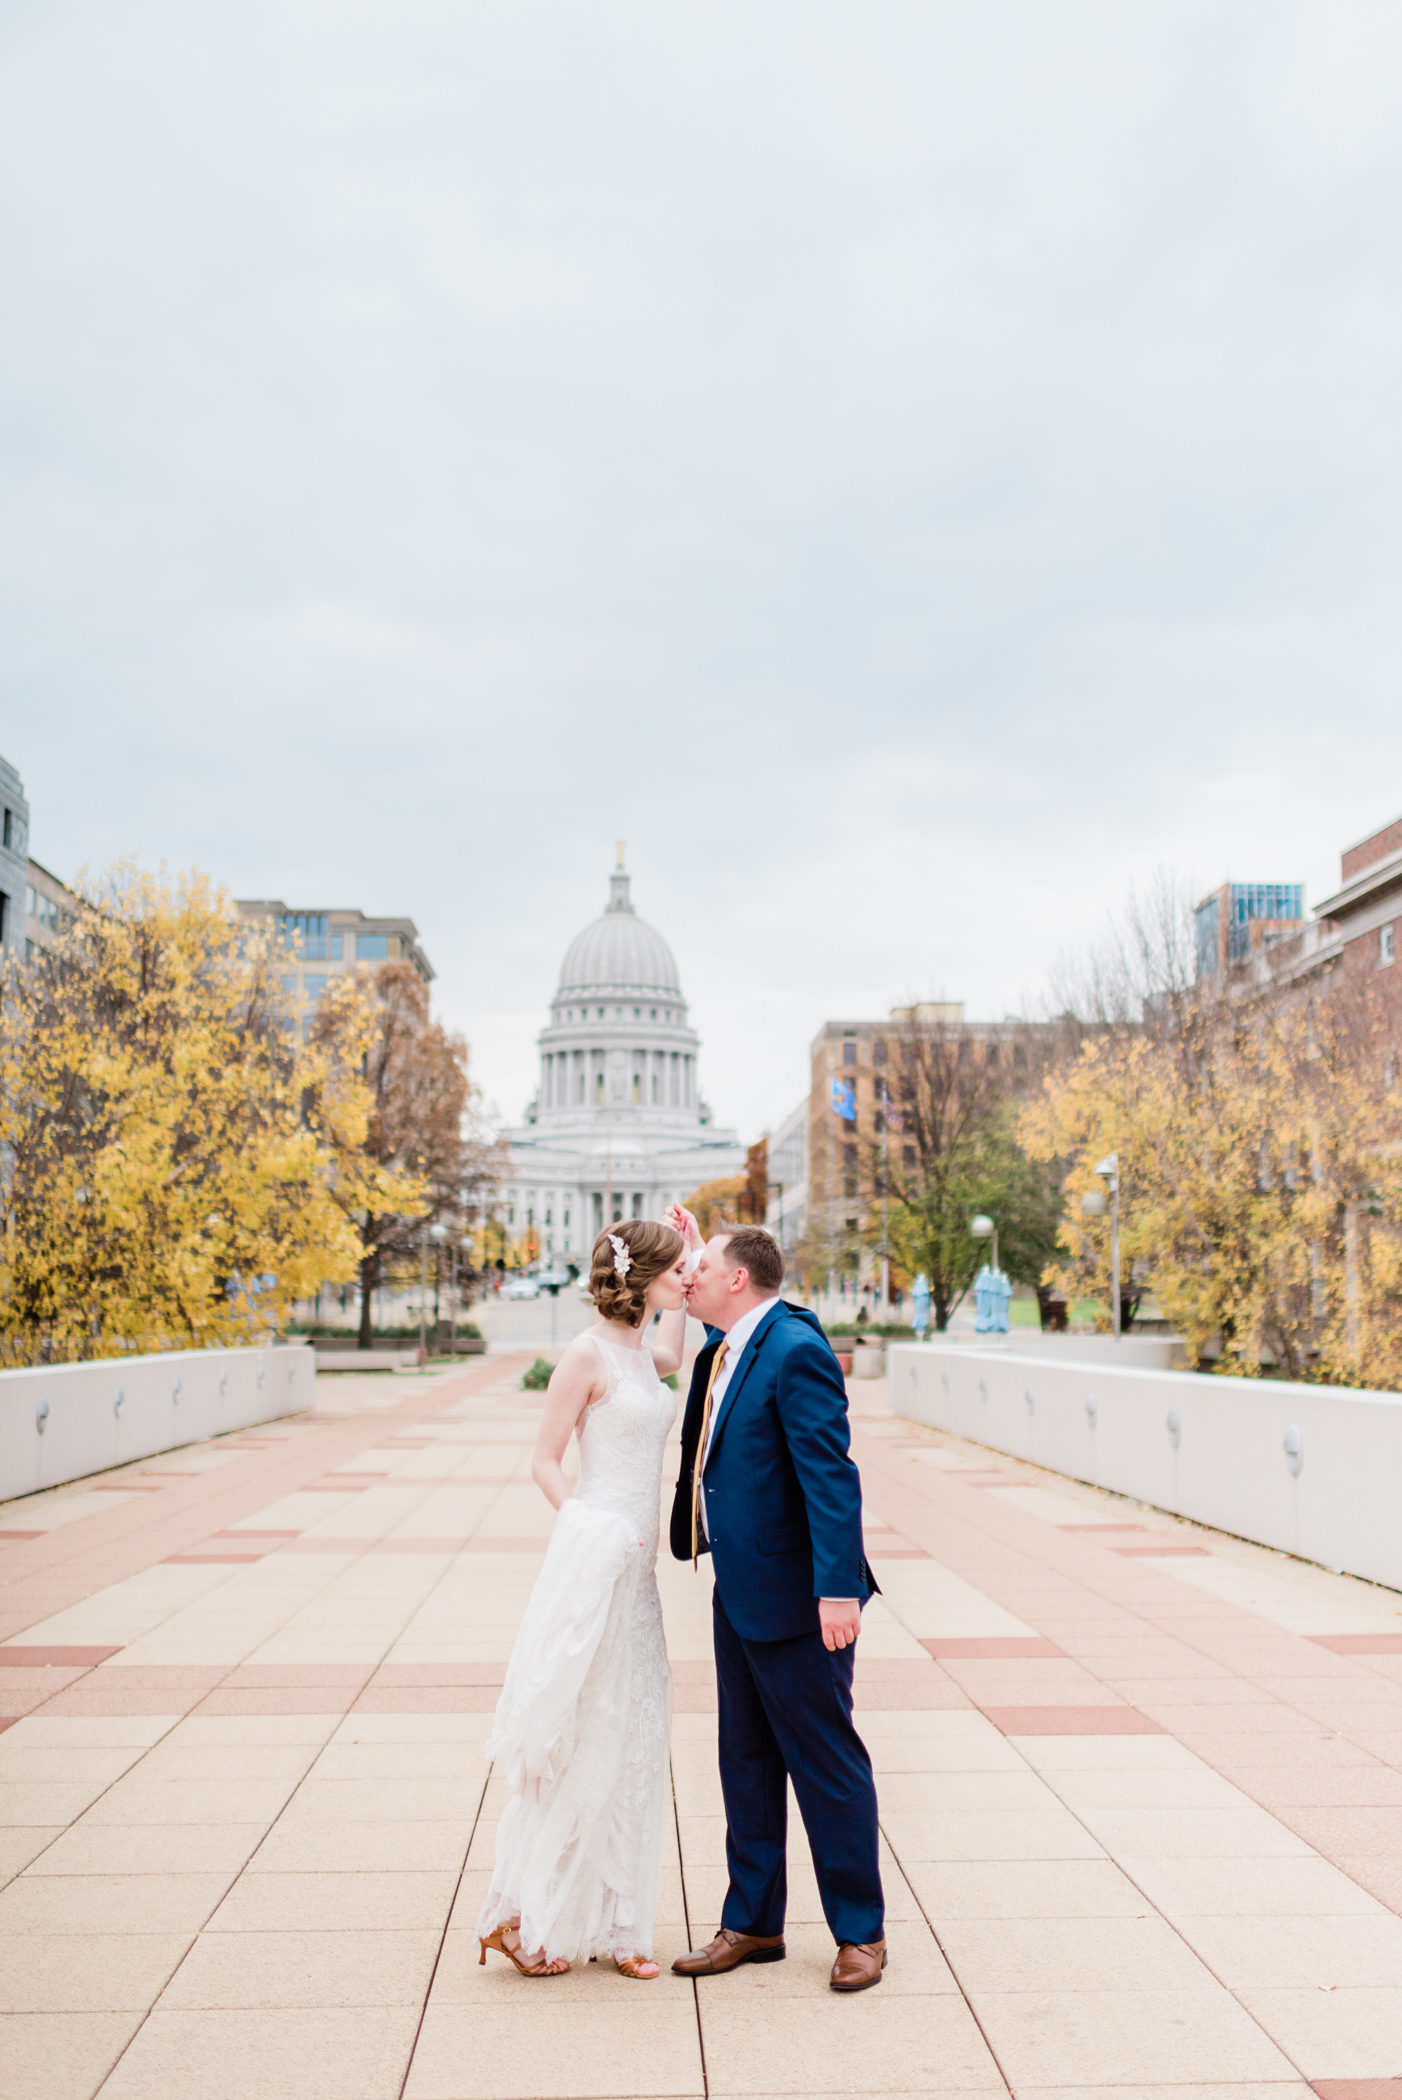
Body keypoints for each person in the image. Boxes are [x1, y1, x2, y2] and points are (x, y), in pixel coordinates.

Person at [668, 1211, 887, 1993]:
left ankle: (861, 1932)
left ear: (737, 1279)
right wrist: (693, 1236)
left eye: (701, 1264)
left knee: (826, 1763)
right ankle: (754, 1922)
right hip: (742, 1592)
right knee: (747, 1761)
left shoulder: (794, 1348)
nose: (686, 1275)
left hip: (802, 1599)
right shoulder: (726, 1348)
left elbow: (832, 1477)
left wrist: (837, 1590)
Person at [476, 1217, 688, 1979]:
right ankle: (524, 1914)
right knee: (586, 1736)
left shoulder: (644, 1353)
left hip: (641, 1581)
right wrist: (587, 1529)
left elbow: (673, 1350)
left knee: (633, 1739)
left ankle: (623, 1925)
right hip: (599, 1562)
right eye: (676, 1270)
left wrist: (686, 1261)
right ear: (640, 1277)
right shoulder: (586, 1353)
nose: (685, 1278)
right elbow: (544, 1460)